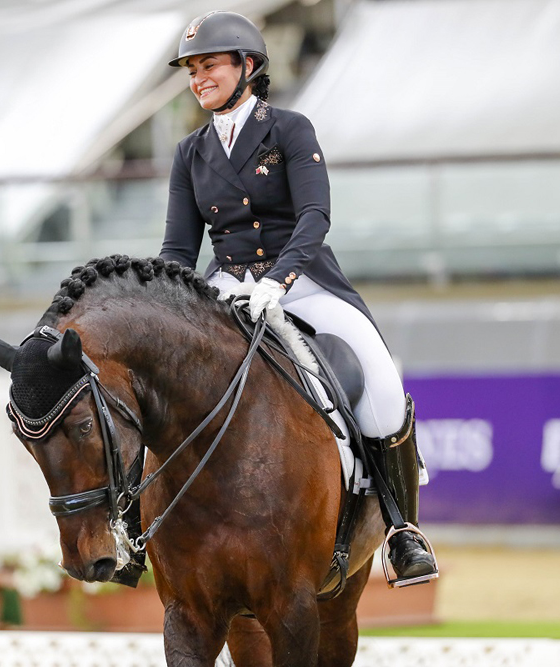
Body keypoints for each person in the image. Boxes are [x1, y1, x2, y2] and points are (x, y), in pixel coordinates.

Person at [159, 10, 437, 586]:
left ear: (248, 65)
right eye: (191, 69)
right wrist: (165, 304)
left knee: (381, 381)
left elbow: (315, 217)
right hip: (228, 285)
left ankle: (402, 530)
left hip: (302, 280)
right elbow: (177, 250)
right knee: (159, 380)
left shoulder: (289, 128)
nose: (199, 77)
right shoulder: (190, 153)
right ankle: (141, 526)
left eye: (209, 65)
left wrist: (278, 281)